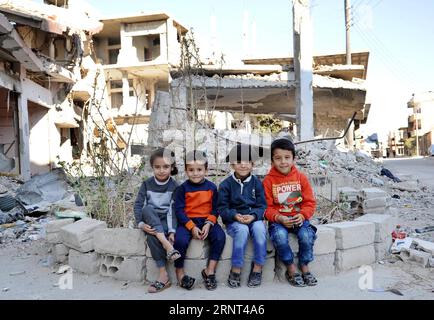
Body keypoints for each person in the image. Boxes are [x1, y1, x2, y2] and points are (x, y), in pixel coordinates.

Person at [263, 138, 318, 287]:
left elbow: (309, 203)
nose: (283, 162)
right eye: (278, 158)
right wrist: (278, 218)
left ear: (294, 158)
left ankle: (304, 265)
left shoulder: (301, 178)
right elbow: (266, 208)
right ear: (272, 160)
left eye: (287, 157)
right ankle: (291, 268)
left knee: (306, 236)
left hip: (299, 219)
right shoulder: (268, 181)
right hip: (279, 221)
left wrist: (302, 215)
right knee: (280, 237)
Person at [173, 150, 226, 290]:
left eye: (199, 169)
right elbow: (179, 210)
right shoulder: (182, 189)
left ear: (206, 170)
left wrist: (209, 224)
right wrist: (191, 227)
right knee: (179, 240)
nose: (195, 173)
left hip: (206, 221)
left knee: (220, 237)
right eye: (191, 170)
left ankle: (210, 271)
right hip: (187, 222)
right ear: (186, 170)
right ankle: (180, 272)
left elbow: (216, 209)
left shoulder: (212, 187)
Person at [218, 144, 267, 288]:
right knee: (242, 230)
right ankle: (236, 269)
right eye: (239, 162)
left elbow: (262, 206)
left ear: (253, 164)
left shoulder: (257, 183)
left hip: (253, 218)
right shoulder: (226, 185)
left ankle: (258, 267)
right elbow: (222, 208)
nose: (243, 165)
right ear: (232, 164)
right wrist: (234, 216)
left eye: (247, 161)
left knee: (259, 229)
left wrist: (253, 216)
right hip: (235, 221)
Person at [134, 148, 180, 293]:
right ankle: (168, 246)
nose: (161, 170)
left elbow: (173, 211)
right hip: (149, 218)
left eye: (166, 167)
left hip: (165, 221)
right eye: (157, 167)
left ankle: (163, 275)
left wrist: (172, 231)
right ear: (152, 167)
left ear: (172, 167)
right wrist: (141, 224)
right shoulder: (146, 184)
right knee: (148, 209)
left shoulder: (174, 187)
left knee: (152, 237)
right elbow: (138, 205)